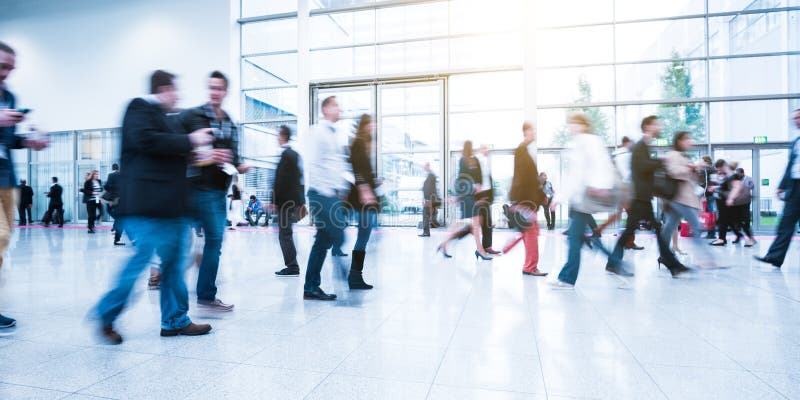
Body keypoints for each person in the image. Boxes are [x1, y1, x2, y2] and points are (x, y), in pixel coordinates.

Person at [93, 70, 218, 344]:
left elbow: (169, 153)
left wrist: (196, 155)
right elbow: (147, 141)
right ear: (163, 89)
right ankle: (105, 313)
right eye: (175, 91)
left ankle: (175, 320)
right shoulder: (139, 108)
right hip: (144, 206)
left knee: (174, 265)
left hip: (169, 208)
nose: (178, 97)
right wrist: (190, 141)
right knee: (140, 261)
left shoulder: (167, 120)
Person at [179, 71, 248, 312]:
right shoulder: (193, 116)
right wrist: (203, 155)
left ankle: (205, 294)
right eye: (212, 88)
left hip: (219, 190)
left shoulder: (229, 122)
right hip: (198, 188)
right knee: (205, 241)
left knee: (212, 243)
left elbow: (234, 155)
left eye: (219, 88)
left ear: (226, 91)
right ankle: (205, 295)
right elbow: (180, 145)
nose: (215, 92)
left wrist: (240, 165)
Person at [0, 41, 49, 329]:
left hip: (5, 178)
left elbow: (7, 140)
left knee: (2, 244)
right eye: (2, 66)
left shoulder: (10, 96)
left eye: (10, 68)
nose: (6, 72)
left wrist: (28, 141)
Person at [606, 115, 690, 278]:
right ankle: (671, 264)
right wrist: (661, 161)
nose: (659, 128)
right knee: (641, 231)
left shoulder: (644, 146)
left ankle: (671, 263)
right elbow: (642, 167)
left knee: (652, 231)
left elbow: (644, 169)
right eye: (656, 125)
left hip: (642, 197)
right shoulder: (640, 146)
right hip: (640, 198)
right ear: (648, 127)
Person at [549, 113, 618, 288]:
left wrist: (600, 185)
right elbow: (572, 175)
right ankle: (615, 261)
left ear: (584, 125)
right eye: (570, 124)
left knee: (574, 239)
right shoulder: (579, 144)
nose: (572, 128)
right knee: (578, 238)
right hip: (580, 199)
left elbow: (600, 165)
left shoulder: (590, 141)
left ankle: (567, 278)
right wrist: (560, 197)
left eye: (575, 124)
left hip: (585, 198)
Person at [303, 95, 350, 301]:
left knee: (322, 241)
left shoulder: (335, 134)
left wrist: (342, 187)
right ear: (325, 109)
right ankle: (342, 271)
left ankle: (311, 287)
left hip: (331, 194)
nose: (339, 109)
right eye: (336, 106)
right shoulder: (317, 132)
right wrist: (328, 193)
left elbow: (335, 165)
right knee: (339, 234)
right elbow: (313, 164)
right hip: (321, 194)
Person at [660, 132, 717, 268]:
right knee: (696, 226)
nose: (690, 142)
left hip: (681, 197)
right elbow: (674, 171)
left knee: (669, 227)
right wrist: (692, 167)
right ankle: (705, 259)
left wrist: (695, 169)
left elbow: (689, 178)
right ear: (679, 141)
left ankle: (663, 255)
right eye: (687, 139)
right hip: (679, 198)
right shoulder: (673, 155)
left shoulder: (682, 156)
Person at [756, 109, 800, 268]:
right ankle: (775, 257)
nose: (796, 120)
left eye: (799, 117)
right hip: (795, 188)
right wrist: (782, 186)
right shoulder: (797, 142)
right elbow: (791, 167)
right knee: (785, 224)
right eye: (794, 118)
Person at [437, 140, 492, 260]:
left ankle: (444, 244)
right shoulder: (463, 160)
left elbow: (478, 178)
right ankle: (480, 250)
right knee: (473, 224)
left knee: (471, 224)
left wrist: (478, 188)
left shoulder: (475, 160)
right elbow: (461, 179)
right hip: (467, 196)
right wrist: (459, 194)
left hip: (473, 196)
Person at [508, 121, 547, 276]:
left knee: (531, 233)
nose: (534, 134)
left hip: (527, 200)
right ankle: (530, 267)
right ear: (526, 131)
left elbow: (528, 179)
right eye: (532, 131)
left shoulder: (523, 151)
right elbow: (522, 178)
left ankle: (529, 265)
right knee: (531, 234)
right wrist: (519, 202)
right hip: (526, 201)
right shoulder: (521, 151)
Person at [346, 114, 379, 290]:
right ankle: (354, 276)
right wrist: (365, 188)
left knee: (363, 237)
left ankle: (355, 275)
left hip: (365, 199)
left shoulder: (363, 144)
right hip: (362, 200)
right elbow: (357, 167)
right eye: (371, 124)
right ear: (365, 125)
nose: (374, 127)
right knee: (363, 237)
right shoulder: (358, 143)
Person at [596, 136, 643, 250]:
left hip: (618, 187)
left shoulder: (616, 154)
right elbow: (628, 173)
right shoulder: (626, 155)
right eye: (631, 143)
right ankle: (629, 242)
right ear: (627, 143)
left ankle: (599, 230)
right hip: (625, 188)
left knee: (621, 214)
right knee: (631, 216)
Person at [273, 125, 305, 277]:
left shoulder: (287, 155)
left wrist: (275, 201)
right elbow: (299, 179)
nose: (277, 138)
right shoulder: (294, 154)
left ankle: (292, 266)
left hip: (285, 203)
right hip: (291, 201)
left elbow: (281, 182)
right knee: (287, 234)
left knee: (284, 235)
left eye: (278, 135)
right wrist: (300, 201)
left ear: (283, 136)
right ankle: (292, 265)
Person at [709, 160, 752, 246]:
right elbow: (724, 187)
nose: (719, 171)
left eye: (719, 169)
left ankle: (749, 238)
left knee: (736, 221)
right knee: (727, 220)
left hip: (729, 202)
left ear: (723, 166)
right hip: (724, 201)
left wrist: (730, 199)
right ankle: (725, 238)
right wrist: (715, 188)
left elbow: (736, 187)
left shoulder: (733, 175)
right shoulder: (727, 176)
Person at [732, 167, 756, 246]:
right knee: (735, 220)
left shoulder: (749, 179)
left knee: (745, 219)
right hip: (737, 202)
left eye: (739, 174)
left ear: (742, 173)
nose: (738, 175)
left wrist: (744, 188)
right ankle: (739, 235)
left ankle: (750, 237)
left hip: (745, 201)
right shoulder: (736, 179)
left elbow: (752, 186)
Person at [104, 163, 124, 245]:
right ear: (118, 168)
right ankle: (116, 235)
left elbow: (107, 186)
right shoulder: (122, 175)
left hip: (113, 199)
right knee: (120, 217)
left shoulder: (110, 175)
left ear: (112, 168)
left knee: (111, 211)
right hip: (121, 199)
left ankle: (115, 229)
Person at [698, 156, 717, 239]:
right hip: (712, 194)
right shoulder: (713, 169)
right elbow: (713, 182)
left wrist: (704, 196)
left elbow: (706, 183)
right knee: (711, 214)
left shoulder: (706, 169)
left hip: (708, 195)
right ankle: (711, 233)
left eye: (701, 160)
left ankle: (710, 234)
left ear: (705, 161)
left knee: (709, 214)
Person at [420, 162, 440, 237]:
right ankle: (434, 224)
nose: (424, 168)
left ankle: (426, 232)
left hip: (429, 199)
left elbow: (429, 189)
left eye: (425, 166)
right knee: (430, 213)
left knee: (425, 214)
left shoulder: (431, 175)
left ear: (428, 166)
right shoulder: (431, 174)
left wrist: (427, 199)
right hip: (431, 199)